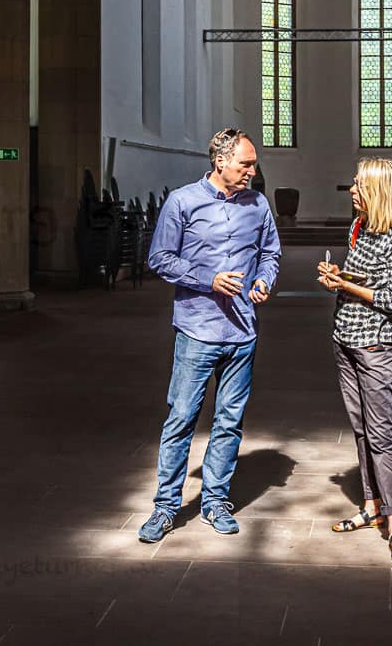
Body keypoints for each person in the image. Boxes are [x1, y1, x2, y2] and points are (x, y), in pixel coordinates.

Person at [138, 128, 282, 543]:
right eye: (246, 164)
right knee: (182, 418)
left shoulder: (257, 204)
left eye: (253, 164)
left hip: (242, 332)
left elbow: (271, 252)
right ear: (220, 161)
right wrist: (207, 279)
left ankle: (215, 500)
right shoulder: (183, 201)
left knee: (229, 421)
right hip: (197, 330)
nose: (253, 172)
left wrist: (264, 281)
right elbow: (160, 258)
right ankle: (165, 507)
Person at [318, 157, 392, 565]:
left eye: (358, 185)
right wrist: (338, 275)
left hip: (377, 344)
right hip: (345, 338)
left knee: (381, 435)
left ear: (376, 190)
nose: (352, 191)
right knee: (360, 430)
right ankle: (370, 505)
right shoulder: (358, 228)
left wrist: (344, 284)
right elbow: (365, 280)